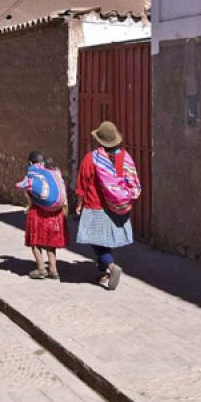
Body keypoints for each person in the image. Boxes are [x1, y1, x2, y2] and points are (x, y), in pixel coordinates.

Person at [75, 121, 141, 290]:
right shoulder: (125, 157)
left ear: (100, 141)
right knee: (105, 240)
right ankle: (101, 272)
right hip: (117, 207)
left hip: (95, 206)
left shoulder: (92, 158)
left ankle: (111, 267)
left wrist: (79, 203)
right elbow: (132, 181)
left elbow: (83, 183)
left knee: (95, 241)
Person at [16, 151, 68, 280]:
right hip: (54, 214)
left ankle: (41, 269)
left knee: (35, 243)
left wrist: (28, 207)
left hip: (38, 214)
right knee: (51, 244)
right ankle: (53, 270)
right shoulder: (53, 172)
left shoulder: (32, 175)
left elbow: (27, 193)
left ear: (30, 163)